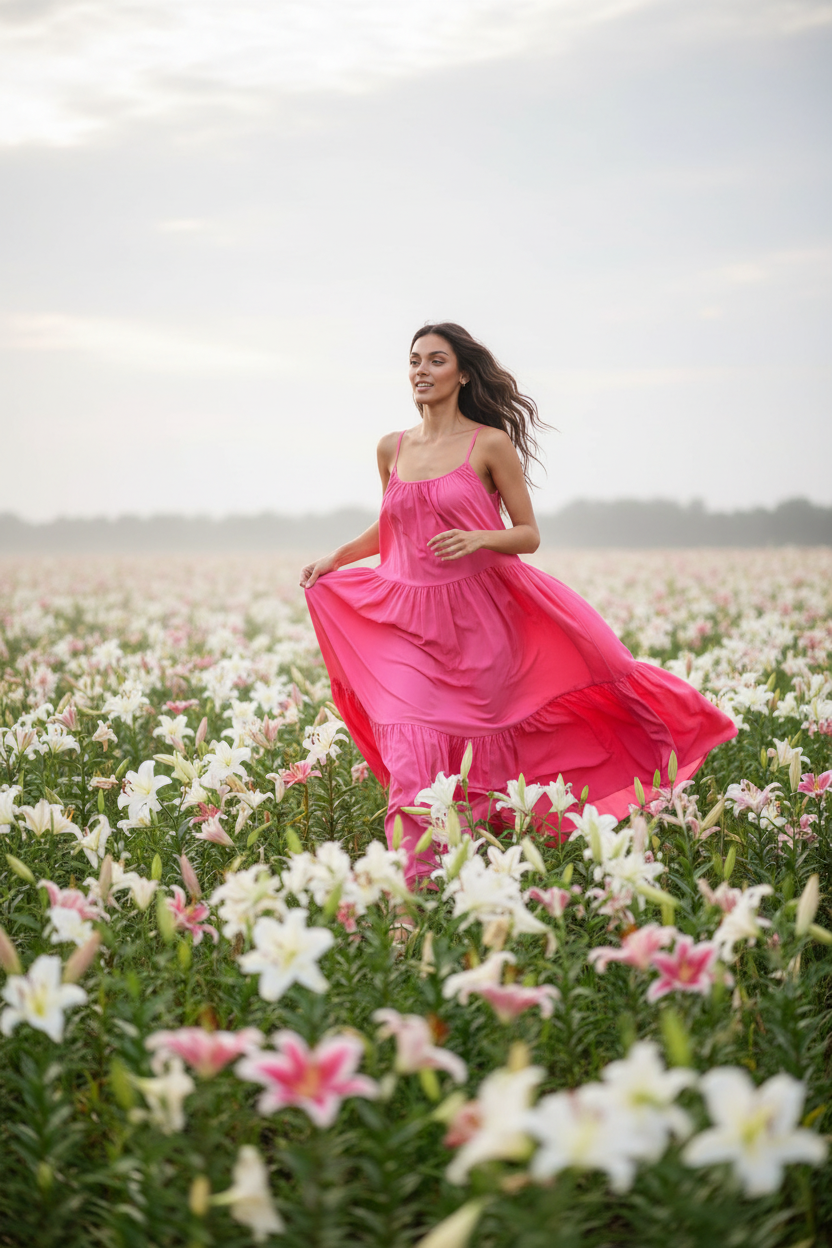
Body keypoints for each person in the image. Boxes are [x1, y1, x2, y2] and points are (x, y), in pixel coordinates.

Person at [301, 322, 736, 886]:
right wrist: (337, 557)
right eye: (415, 361)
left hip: (480, 622)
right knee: (411, 744)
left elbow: (528, 534)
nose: (422, 371)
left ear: (461, 374)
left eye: (436, 361)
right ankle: (411, 896)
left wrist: (480, 537)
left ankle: (485, 870)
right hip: (406, 622)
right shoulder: (392, 447)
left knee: (490, 747)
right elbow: (393, 526)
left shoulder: (489, 444)